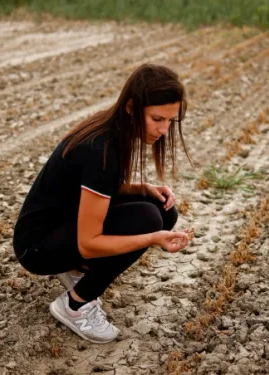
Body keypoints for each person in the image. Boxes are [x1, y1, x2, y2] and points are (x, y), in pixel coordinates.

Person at [13, 64, 193, 344]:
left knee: (161, 209)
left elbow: (92, 190)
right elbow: (88, 242)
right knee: (149, 219)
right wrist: (153, 238)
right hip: (37, 247)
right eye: (157, 118)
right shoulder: (102, 149)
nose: (164, 130)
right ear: (132, 107)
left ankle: (78, 270)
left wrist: (141, 188)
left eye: (170, 121)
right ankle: (75, 304)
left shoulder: (113, 129)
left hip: (62, 223)